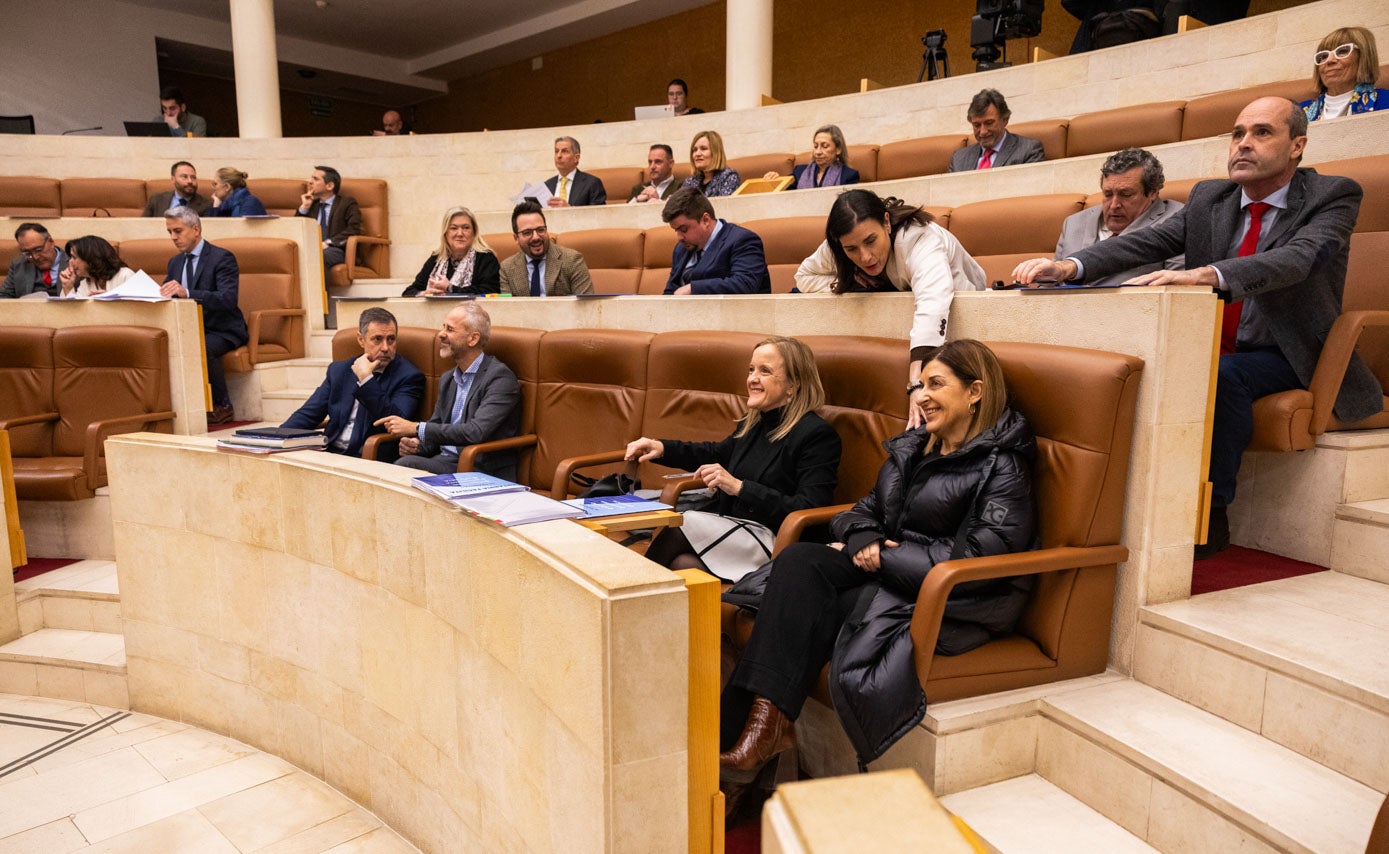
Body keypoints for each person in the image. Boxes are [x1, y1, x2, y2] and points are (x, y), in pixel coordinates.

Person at [1011, 96, 1383, 559]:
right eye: (1237, 133)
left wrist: (1209, 273)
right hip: (1207, 341)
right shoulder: (1212, 197)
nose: (1243, 144)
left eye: (1262, 133)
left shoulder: (1333, 195)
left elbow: (1302, 258)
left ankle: (1211, 513)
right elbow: (1147, 242)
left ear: (1297, 145)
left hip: (1287, 350)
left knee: (1221, 376)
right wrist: (1069, 266)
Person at [717, 340, 1037, 814]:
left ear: (975, 392)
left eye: (935, 384)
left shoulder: (1003, 466)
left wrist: (882, 558)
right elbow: (860, 511)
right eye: (918, 384)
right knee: (800, 562)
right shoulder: (914, 446)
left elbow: (980, 559)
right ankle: (761, 735)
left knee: (804, 604)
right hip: (889, 575)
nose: (921, 395)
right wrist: (864, 538)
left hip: (947, 597)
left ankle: (735, 758)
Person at [625, 336, 842, 584]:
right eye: (751, 370)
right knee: (682, 565)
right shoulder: (756, 423)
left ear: (794, 384)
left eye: (765, 371)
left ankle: (630, 591)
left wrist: (740, 488)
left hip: (776, 540)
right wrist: (661, 447)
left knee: (684, 522)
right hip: (735, 531)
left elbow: (811, 507)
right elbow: (714, 453)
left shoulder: (816, 435)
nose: (752, 379)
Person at [795, 190, 987, 397]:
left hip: (969, 323)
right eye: (852, 249)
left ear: (886, 222)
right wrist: (847, 283)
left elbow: (933, 303)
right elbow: (804, 275)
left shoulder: (919, 237)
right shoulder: (841, 245)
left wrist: (916, 380)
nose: (865, 257)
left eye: (870, 241)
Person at [374, 303, 522, 479]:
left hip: (480, 467)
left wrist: (416, 427)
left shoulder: (500, 378)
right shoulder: (448, 379)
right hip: (446, 461)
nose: (441, 334)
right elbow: (438, 426)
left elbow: (475, 432)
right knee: (399, 464)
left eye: (450, 329)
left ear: (473, 339)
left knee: (405, 467)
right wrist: (418, 445)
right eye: (443, 327)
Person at [281, 307, 425, 459]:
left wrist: (366, 379)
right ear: (361, 339)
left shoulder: (409, 377)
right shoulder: (339, 370)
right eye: (377, 339)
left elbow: (394, 422)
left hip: (370, 456)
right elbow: (309, 414)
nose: (385, 348)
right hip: (330, 451)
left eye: (391, 339)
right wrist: (273, 438)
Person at [161, 208, 248, 425]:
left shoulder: (222, 258)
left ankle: (222, 405)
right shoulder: (175, 263)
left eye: (178, 231)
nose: (173, 237)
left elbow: (227, 299)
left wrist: (188, 293)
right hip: (188, 328)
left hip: (223, 329)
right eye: (170, 232)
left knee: (202, 347)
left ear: (196, 229)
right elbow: (168, 290)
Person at [1053, 148, 1184, 285]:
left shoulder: (1177, 221)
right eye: (1108, 194)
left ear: (1153, 192)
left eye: (1126, 195)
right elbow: (1050, 284)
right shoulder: (1074, 222)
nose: (1114, 205)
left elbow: (1176, 290)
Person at [662, 187, 771, 295]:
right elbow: (671, 290)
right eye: (676, 230)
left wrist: (693, 289)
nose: (679, 237)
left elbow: (745, 284)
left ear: (705, 220)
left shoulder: (742, 240)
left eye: (684, 229)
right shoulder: (681, 248)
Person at [497, 202, 595, 297]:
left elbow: (586, 307)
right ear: (516, 238)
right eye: (527, 232)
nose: (536, 237)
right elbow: (507, 309)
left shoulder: (572, 260)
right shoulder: (507, 268)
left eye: (540, 230)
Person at [402, 207, 500, 297]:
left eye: (466, 228)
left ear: (474, 233)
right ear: (445, 233)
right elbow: (408, 292)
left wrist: (450, 288)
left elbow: (490, 292)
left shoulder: (486, 258)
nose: (460, 233)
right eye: (453, 228)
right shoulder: (436, 258)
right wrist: (424, 293)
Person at [947, 89, 1046, 172]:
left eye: (989, 123)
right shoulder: (958, 159)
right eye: (976, 125)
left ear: (1004, 120)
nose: (983, 132)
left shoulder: (1029, 150)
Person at [1301, 27, 1388, 121]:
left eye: (1342, 51)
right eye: (1323, 56)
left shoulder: (1385, 101)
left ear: (1363, 57)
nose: (1329, 60)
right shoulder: (1298, 114)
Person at [295, 166, 362, 270]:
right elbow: (296, 229)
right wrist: (305, 207)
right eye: (311, 178)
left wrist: (327, 243)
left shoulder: (346, 203)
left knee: (322, 255)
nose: (310, 182)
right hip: (311, 249)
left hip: (336, 249)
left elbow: (354, 229)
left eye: (316, 179)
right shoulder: (312, 205)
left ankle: (321, 287)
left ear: (330, 186)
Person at [762, 125, 861, 190]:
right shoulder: (798, 172)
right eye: (815, 146)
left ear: (838, 149)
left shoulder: (849, 175)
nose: (817, 152)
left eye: (825, 146)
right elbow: (781, 194)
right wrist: (773, 180)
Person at [1, 223, 68, 299]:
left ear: (51, 242)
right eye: (28, 253)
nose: (35, 257)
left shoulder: (75, 262)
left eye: (38, 250)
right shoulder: (18, 265)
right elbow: (3, 296)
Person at [57, 236, 134, 298]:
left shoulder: (125, 275)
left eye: (74, 257)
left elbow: (138, 311)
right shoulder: (85, 283)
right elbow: (74, 315)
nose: (70, 262)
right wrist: (68, 287)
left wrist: (111, 302)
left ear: (90, 258)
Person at [544, 137, 607, 207]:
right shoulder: (547, 185)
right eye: (556, 151)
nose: (559, 156)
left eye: (564, 151)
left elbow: (599, 214)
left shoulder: (592, 183)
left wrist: (570, 210)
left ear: (576, 158)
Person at [682, 131, 741, 197]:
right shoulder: (690, 181)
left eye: (703, 149)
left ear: (715, 153)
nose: (697, 154)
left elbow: (723, 206)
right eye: (695, 150)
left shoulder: (729, 177)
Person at [142, 161, 211, 217]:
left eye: (193, 177)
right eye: (184, 177)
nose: (190, 181)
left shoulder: (206, 205)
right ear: (173, 179)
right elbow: (142, 225)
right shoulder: (156, 200)